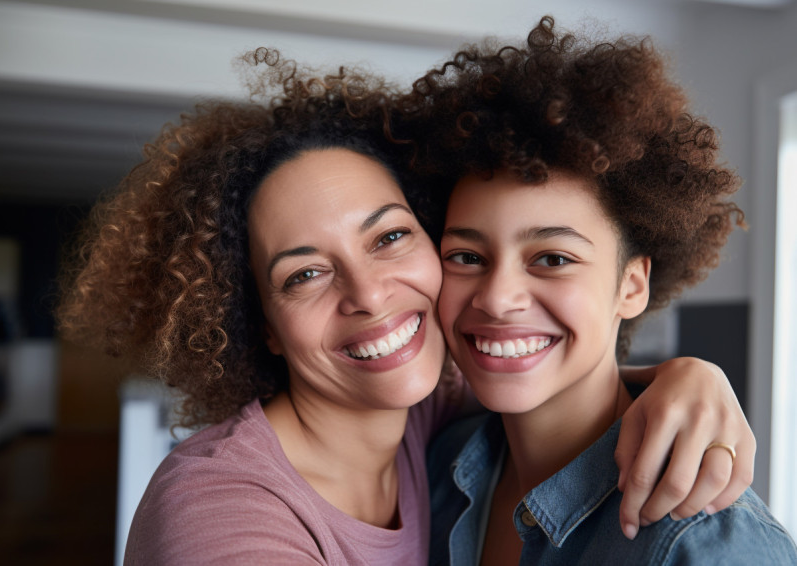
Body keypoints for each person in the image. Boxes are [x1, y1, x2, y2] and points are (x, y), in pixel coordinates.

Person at [57, 49, 755, 564]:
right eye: (304, 275)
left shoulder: (445, 420)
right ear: (262, 322)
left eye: (390, 237)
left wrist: (684, 378)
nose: (367, 296)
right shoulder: (224, 513)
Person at [418, 16, 797, 564]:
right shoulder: (444, 464)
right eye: (467, 257)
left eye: (552, 258)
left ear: (632, 285)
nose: (497, 298)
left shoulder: (703, 540)